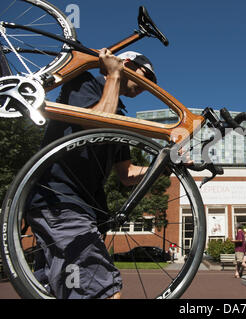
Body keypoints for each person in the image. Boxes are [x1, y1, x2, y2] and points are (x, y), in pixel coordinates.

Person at [26, 49, 158, 299]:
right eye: (147, 75)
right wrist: (113, 75)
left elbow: (127, 174)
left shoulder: (118, 114)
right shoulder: (85, 82)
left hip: (80, 209)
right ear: (125, 63)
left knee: (59, 292)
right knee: (103, 293)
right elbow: (96, 123)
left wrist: (167, 165)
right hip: (60, 201)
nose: (149, 85)